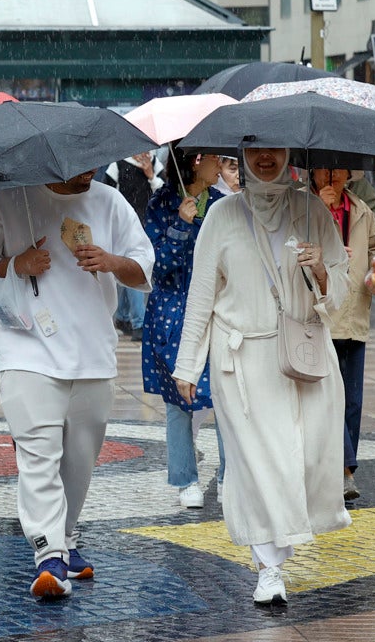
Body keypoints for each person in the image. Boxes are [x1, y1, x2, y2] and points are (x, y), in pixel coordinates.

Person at [172, 147, 352, 606]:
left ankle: (281, 541)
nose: (265, 157)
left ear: (289, 152)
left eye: (275, 148)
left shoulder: (311, 211)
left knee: (307, 458)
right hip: (242, 362)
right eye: (255, 149)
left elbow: (342, 290)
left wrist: (321, 272)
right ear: (242, 153)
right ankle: (268, 567)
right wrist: (188, 364)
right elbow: (201, 293)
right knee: (257, 465)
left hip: (304, 353)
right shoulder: (222, 216)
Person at [0, 169, 154, 599]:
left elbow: (143, 267)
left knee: (79, 462)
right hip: (25, 351)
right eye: (79, 164)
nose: (89, 170)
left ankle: (65, 538)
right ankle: (49, 554)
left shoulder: (110, 201)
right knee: (38, 455)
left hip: (92, 354)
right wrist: (15, 264)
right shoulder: (7, 198)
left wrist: (111, 262)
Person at [142, 150, 226, 510]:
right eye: (215, 158)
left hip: (218, 310)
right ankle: (185, 479)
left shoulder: (222, 205)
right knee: (179, 399)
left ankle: (230, 476)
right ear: (195, 161)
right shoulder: (161, 203)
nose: (220, 165)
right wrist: (180, 225)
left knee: (225, 394)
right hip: (172, 313)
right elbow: (155, 265)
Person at [308, 168, 375, 500]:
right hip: (321, 315)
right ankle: (344, 470)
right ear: (313, 170)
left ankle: (343, 467)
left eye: (339, 168)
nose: (333, 175)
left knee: (352, 400)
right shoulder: (302, 206)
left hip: (354, 313)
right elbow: (293, 249)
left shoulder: (360, 209)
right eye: (326, 168)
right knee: (329, 395)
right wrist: (320, 212)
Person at [111, 151, 162, 341]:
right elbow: (106, 194)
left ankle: (125, 318)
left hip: (149, 224)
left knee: (136, 267)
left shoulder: (154, 162)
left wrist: (151, 175)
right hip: (125, 226)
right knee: (130, 266)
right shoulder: (118, 164)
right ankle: (137, 323)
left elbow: (164, 192)